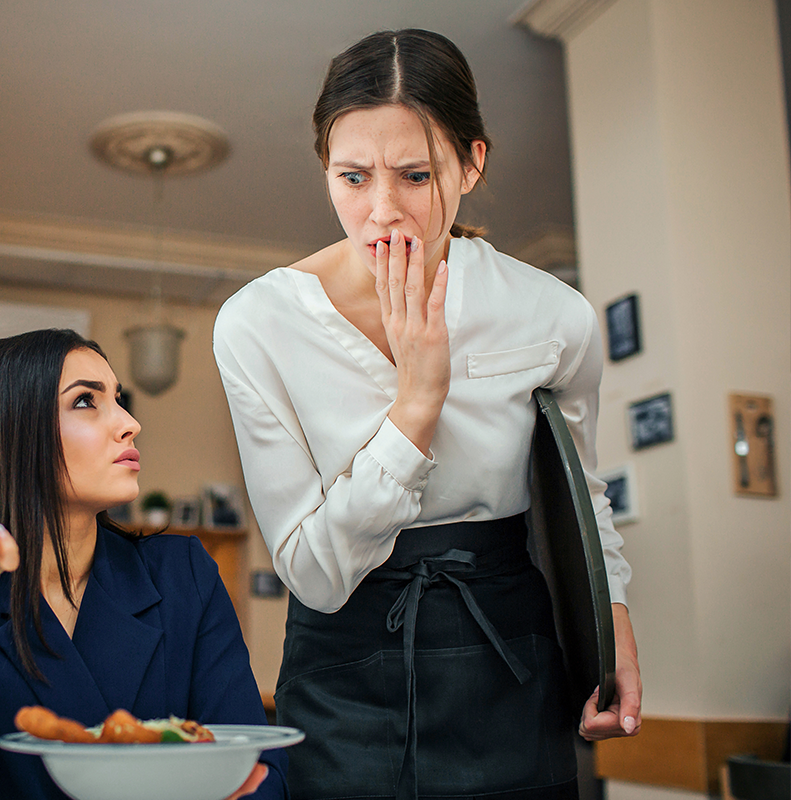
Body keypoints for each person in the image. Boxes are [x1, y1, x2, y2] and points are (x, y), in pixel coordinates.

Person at [212, 29, 641, 800]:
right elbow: (312, 571)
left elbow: (582, 496)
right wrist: (416, 406)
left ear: (472, 163)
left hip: (508, 646)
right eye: (352, 176)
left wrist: (612, 627)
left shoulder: (553, 316)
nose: (382, 211)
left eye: (415, 175)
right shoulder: (257, 324)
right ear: (324, 170)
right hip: (343, 657)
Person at [0, 329, 287, 800]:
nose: (128, 423)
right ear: (9, 430)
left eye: (118, 400)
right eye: (86, 401)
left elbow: (259, 769)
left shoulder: (183, 576)